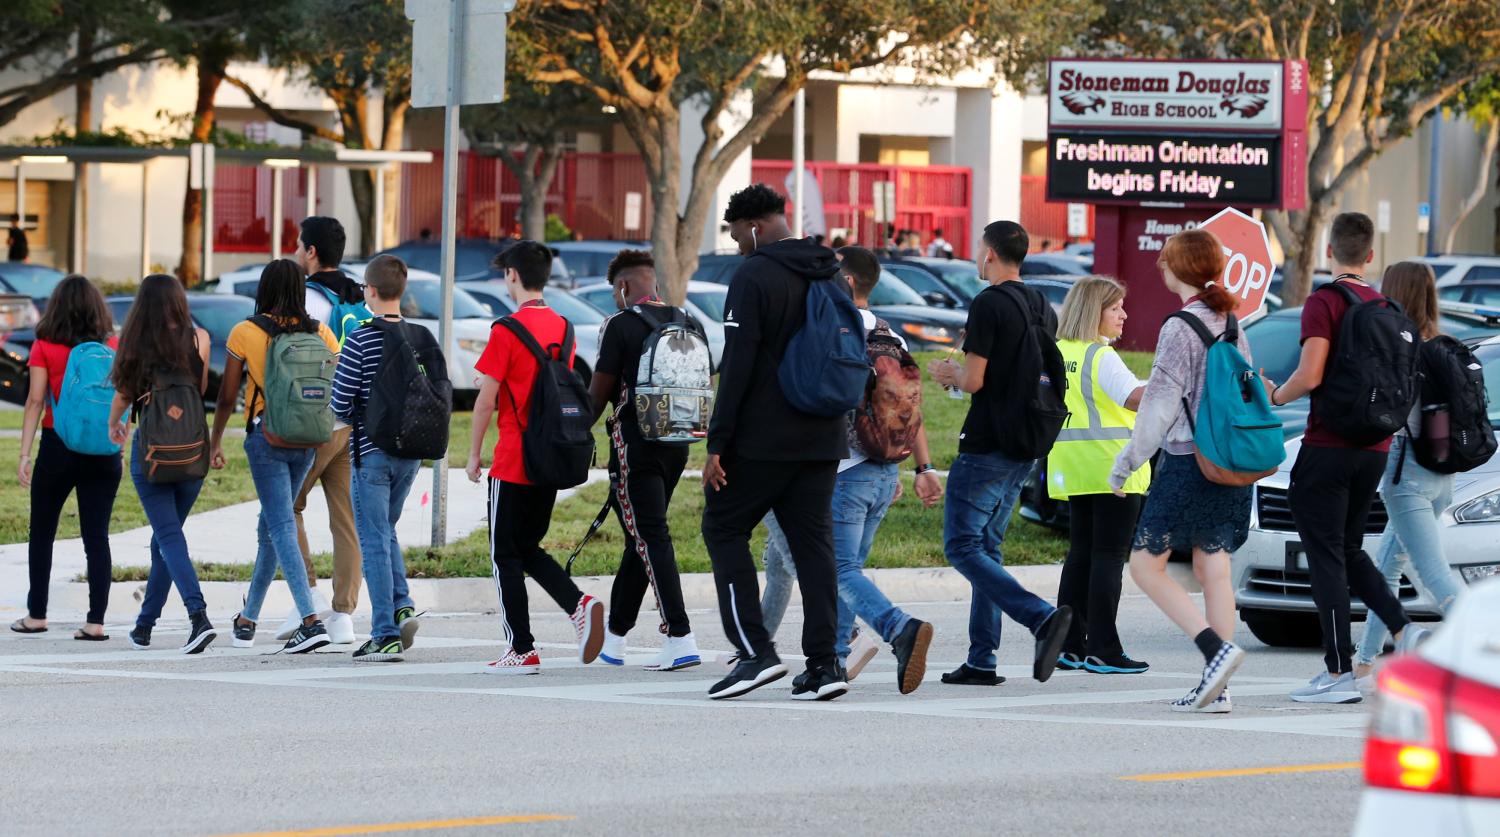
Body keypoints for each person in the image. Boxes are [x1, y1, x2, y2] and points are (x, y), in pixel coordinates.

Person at [1260, 213, 1427, 704]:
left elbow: (1310, 374)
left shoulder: (1325, 302)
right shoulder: (1387, 305)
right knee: (1350, 550)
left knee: (1326, 556)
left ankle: (1337, 672)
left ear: (1330, 251)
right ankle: (1402, 626)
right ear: (1371, 255)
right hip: (1373, 449)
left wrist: (1275, 397)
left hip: (1328, 447)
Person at [700, 183, 849, 701]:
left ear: (756, 227)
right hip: (825, 434)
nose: (738, 244)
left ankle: (755, 653)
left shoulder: (755, 274)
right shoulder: (830, 271)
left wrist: (717, 442)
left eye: (739, 234)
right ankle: (825, 665)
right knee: (814, 547)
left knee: (722, 525)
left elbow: (738, 364)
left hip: (765, 438)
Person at [926, 220, 1073, 688]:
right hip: (1026, 440)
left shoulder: (989, 302)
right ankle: (981, 659)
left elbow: (974, 380)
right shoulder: (1040, 305)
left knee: (962, 546)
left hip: (988, 440)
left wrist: (948, 373)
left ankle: (1041, 619)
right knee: (987, 547)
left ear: (989, 254)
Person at [1110, 230, 1248, 712]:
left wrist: (1127, 463)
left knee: (1146, 566)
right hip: (1229, 459)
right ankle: (1220, 688)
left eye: (1166, 261)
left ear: (1181, 268)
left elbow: (1159, 407)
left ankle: (1215, 651)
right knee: (1215, 566)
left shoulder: (1178, 327)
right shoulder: (1230, 320)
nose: (1160, 267)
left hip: (1189, 461)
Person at [466, 240, 605, 675]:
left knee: (503, 553)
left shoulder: (505, 330)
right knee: (527, 546)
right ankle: (577, 604)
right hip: (551, 454)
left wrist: (473, 455)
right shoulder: (564, 328)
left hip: (513, 458)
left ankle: (521, 647)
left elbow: (486, 401)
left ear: (512, 276)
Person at [210, 259, 338, 654]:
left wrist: (215, 441)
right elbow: (336, 374)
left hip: (266, 438)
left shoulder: (246, 331)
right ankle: (248, 619)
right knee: (271, 527)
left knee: (280, 524)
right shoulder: (320, 331)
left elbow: (228, 396)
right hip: (308, 438)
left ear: (264, 289)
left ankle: (310, 620)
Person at [587, 250, 703, 671]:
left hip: (634, 443)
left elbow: (599, 392)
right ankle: (615, 639)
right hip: (679, 441)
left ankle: (680, 634)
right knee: (642, 537)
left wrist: (574, 427)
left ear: (622, 287)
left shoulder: (619, 325)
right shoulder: (687, 320)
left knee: (650, 536)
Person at [1353, 262, 1463, 686]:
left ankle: (1486, 654)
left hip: (1408, 477)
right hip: (1441, 477)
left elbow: (1388, 415)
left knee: (1435, 576)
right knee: (1387, 569)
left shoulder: (1402, 347)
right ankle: (1362, 662)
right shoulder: (1445, 343)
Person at [330, 255, 437, 663]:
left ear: (369, 291)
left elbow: (341, 404)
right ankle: (402, 602)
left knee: (372, 538)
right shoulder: (423, 336)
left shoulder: (359, 338)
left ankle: (385, 633)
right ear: (403, 290)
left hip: (370, 453)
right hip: (411, 453)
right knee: (385, 529)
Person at [108, 274, 218, 654]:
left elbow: (124, 395)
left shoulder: (136, 345)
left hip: (152, 454)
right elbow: (200, 390)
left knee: (168, 539)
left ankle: (198, 615)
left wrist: (114, 424)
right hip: (192, 451)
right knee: (165, 541)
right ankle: (144, 626)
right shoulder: (198, 338)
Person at [1050, 275, 1149, 675]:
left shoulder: (1058, 352)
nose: (1124, 315)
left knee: (1080, 557)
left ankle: (1069, 645)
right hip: (1114, 469)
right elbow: (1133, 397)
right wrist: (1173, 386)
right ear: (1094, 312)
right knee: (1108, 559)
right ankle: (1104, 649)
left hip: (1073, 466)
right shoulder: (1100, 355)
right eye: (1115, 308)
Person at [13, 275, 119, 639]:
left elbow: (35, 400)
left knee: (42, 531)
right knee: (96, 536)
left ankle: (37, 615)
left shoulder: (44, 345)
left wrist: (25, 454)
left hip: (58, 445)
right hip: (104, 449)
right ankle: (95, 622)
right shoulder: (113, 344)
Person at [282, 216, 365, 646]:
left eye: (299, 245)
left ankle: (307, 601)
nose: (297, 252)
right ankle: (344, 614)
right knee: (346, 520)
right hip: (354, 423)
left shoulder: (310, 300)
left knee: (286, 508)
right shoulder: (358, 295)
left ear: (311, 251)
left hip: (316, 422)